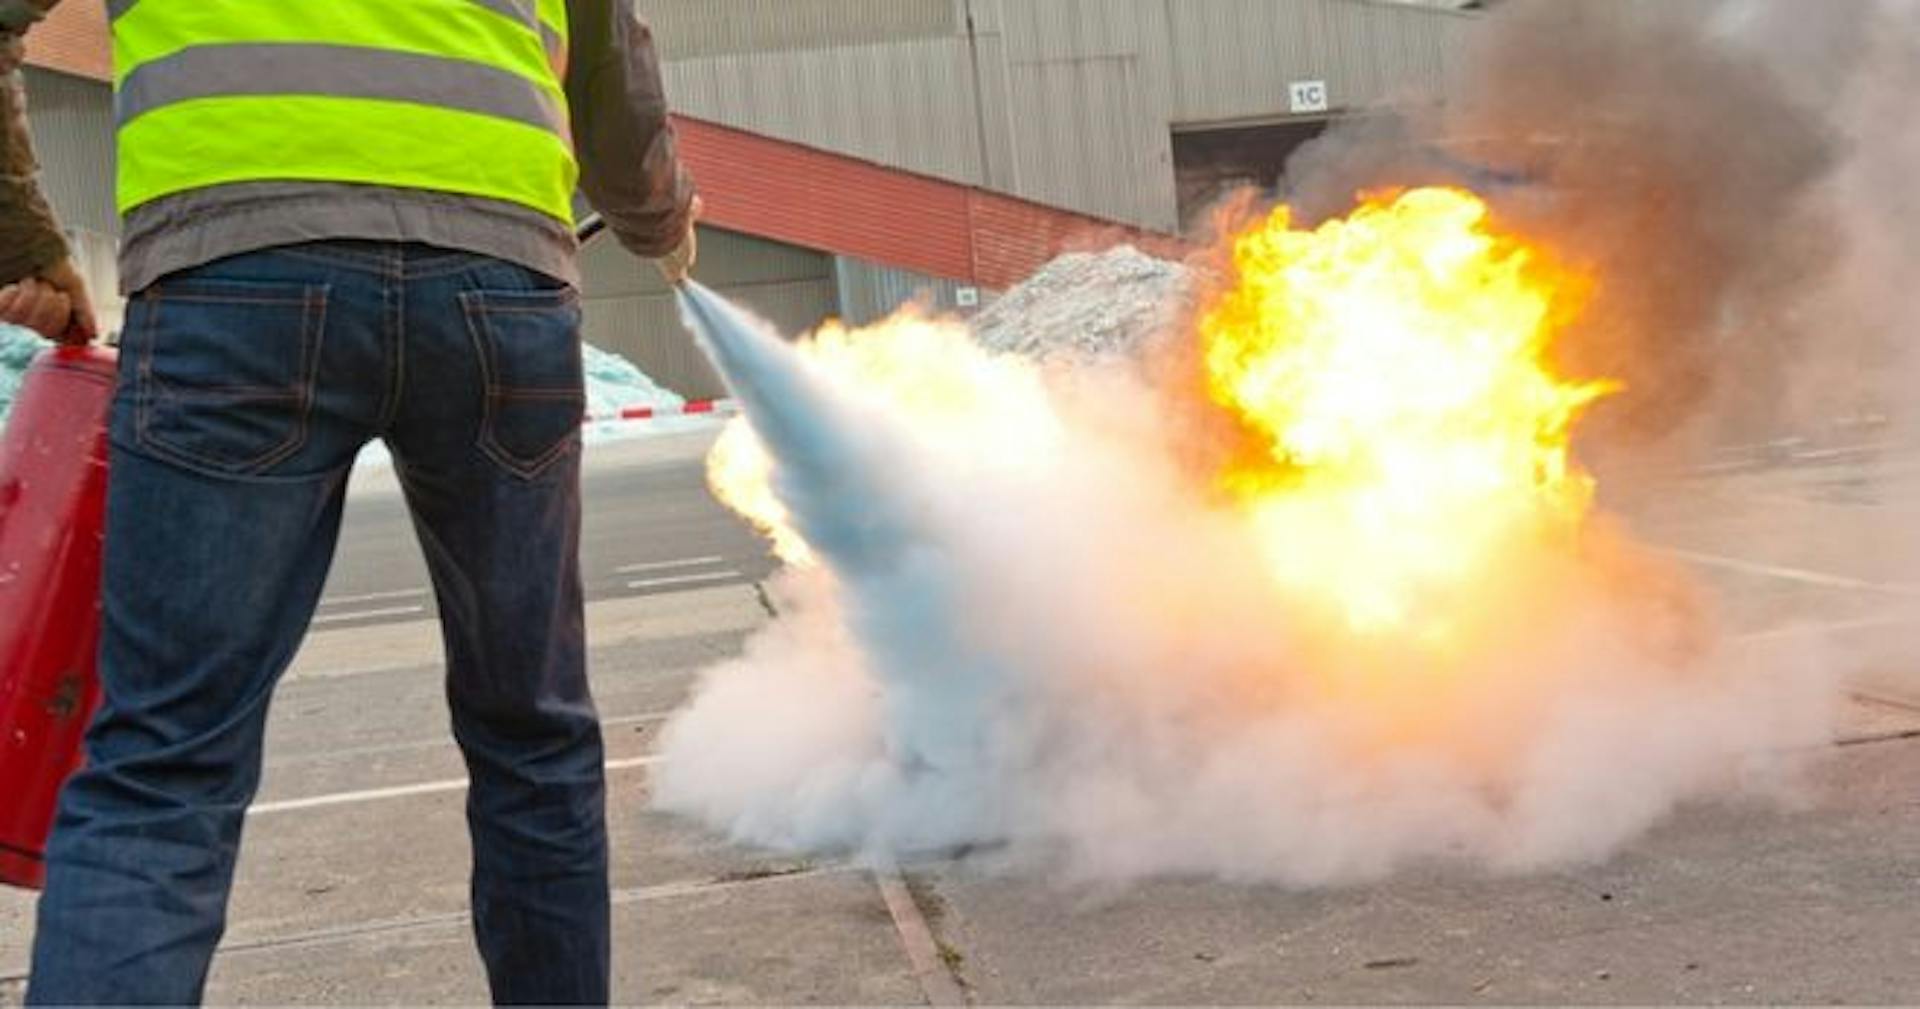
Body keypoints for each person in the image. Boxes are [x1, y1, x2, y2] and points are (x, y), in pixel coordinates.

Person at [0, 1, 699, 1003]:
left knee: (164, 767)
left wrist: (21, 242)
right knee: (533, 737)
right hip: (496, 282)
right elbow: (609, 53)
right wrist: (657, 214)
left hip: (232, 273)